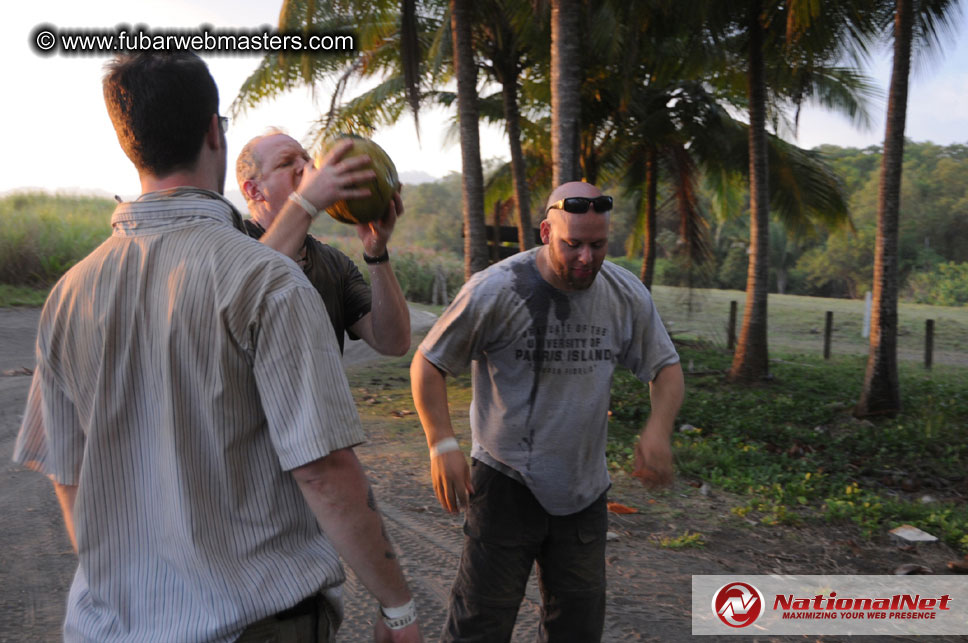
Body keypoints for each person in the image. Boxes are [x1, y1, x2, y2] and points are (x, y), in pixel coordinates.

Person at [13, 52, 422, 643]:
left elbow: (67, 474)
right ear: (214, 131)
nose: (307, 171)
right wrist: (399, 608)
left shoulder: (67, 293)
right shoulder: (265, 274)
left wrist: (125, 579)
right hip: (250, 620)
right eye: (291, 165)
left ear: (132, 143)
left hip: (110, 626)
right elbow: (324, 469)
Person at [411, 181, 685, 642]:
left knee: (576, 628)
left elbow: (667, 369)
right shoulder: (498, 289)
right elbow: (429, 362)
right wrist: (442, 442)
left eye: (597, 245)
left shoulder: (624, 293)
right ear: (545, 232)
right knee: (481, 624)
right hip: (504, 482)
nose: (586, 258)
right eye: (572, 244)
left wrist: (658, 429)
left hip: (583, 491)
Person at [236, 130, 410, 355]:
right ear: (254, 190)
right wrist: (306, 201)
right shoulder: (232, 243)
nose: (308, 168)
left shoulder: (334, 264)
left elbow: (394, 343)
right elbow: (248, 289)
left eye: (308, 159)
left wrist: (376, 253)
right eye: (286, 163)